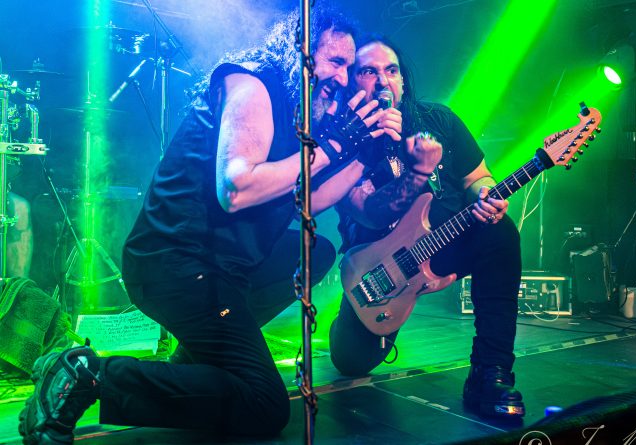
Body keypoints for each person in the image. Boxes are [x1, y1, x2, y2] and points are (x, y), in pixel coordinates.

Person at [19, 7, 406, 443]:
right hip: (176, 262)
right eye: (336, 62)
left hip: (220, 267)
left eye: (349, 67)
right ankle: (86, 375)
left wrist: (363, 157)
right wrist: (335, 146)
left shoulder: (298, 112)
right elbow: (236, 188)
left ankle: (195, 361)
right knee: (264, 404)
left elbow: (308, 201)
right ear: (302, 51)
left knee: (314, 250)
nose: (343, 77)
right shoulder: (252, 84)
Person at [329, 37, 526, 419]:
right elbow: (369, 213)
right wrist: (411, 165)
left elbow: (478, 177)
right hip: (380, 269)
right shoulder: (344, 140)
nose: (383, 81)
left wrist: (486, 194)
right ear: (352, 82)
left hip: (446, 241)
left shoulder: (438, 121)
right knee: (352, 362)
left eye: (391, 70)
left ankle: (491, 372)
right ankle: (347, 323)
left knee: (500, 232)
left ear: (403, 80)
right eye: (368, 71)